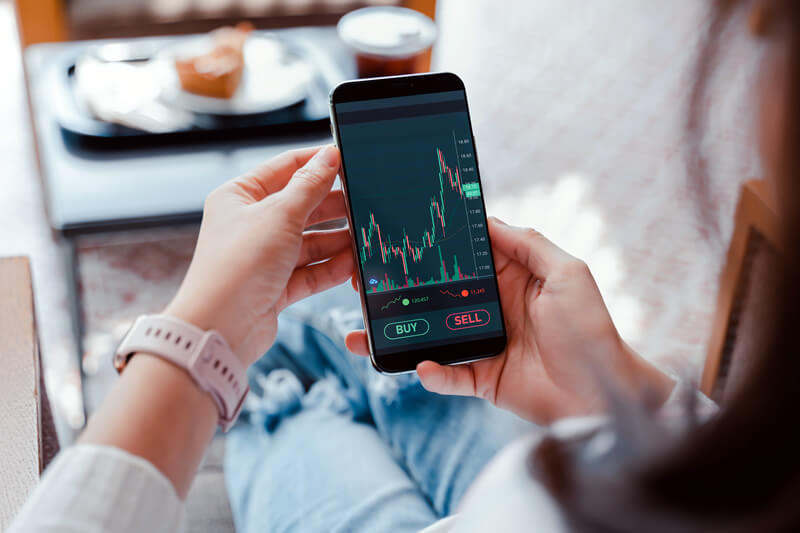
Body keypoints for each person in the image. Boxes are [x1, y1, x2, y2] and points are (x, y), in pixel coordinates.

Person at [9, 0, 800, 531]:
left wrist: (191, 338)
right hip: (602, 467)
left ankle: (283, 396)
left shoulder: (547, 500)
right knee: (357, 329)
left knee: (294, 378)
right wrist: (615, 388)